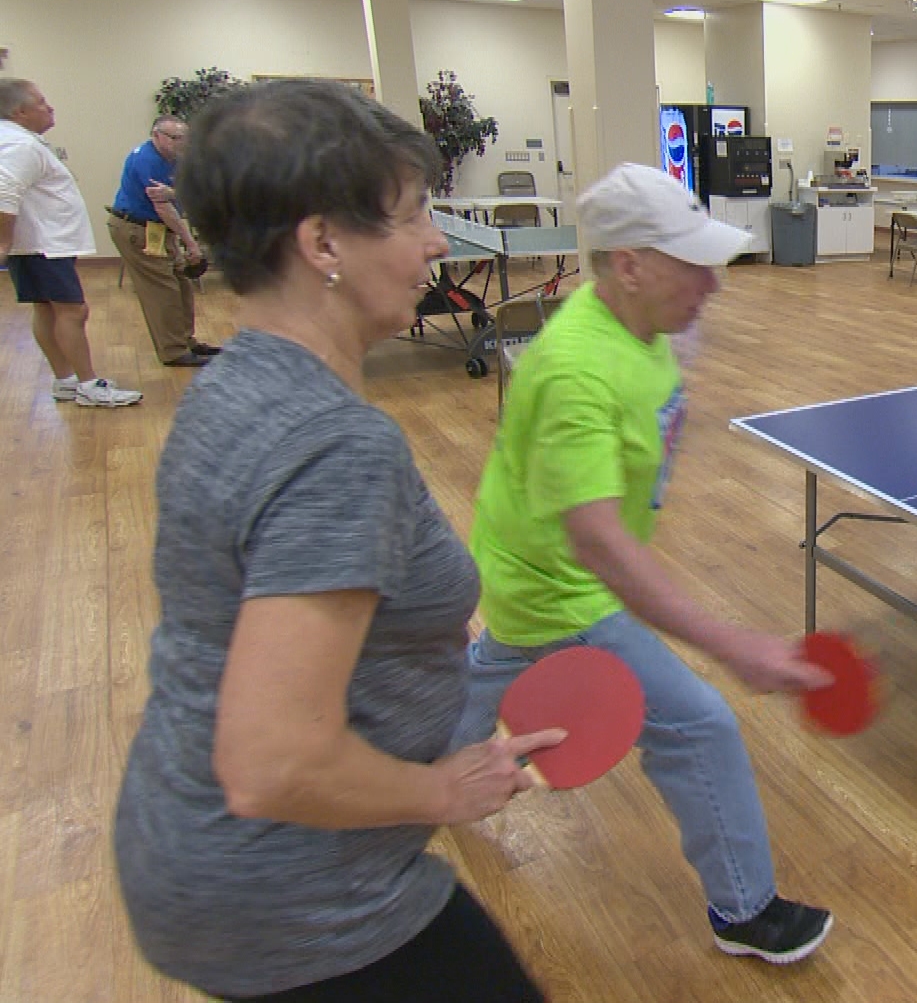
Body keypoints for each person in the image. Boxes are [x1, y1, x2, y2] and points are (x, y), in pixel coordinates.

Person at [113, 79, 560, 1003]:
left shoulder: (230, 384)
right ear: (322, 243)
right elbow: (273, 761)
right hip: (293, 894)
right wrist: (443, 792)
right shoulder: (336, 444)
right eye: (413, 215)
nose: (438, 241)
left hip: (188, 849)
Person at [453, 162, 836, 966]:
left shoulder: (643, 325)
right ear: (628, 266)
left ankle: (432, 767)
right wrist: (733, 644)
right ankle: (745, 910)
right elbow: (597, 541)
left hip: (536, 570)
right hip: (563, 589)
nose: (714, 283)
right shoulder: (576, 370)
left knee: (492, 671)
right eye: (693, 263)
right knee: (699, 725)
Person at [0, 78, 142, 407]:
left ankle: (66, 381)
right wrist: (3, 242)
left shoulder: (19, 140)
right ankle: (89, 385)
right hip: (43, 245)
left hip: (40, 244)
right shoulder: (19, 145)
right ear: (19, 112)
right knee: (73, 312)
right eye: (41, 103)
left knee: (47, 309)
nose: (50, 108)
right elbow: (4, 191)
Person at [107, 114, 222, 367]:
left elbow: (192, 190)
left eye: (184, 138)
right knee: (163, 290)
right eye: (174, 138)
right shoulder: (148, 160)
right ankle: (173, 351)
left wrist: (175, 193)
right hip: (139, 230)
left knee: (181, 284)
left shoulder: (173, 158)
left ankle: (186, 341)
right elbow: (164, 208)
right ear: (156, 136)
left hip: (159, 230)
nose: (181, 143)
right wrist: (191, 244)